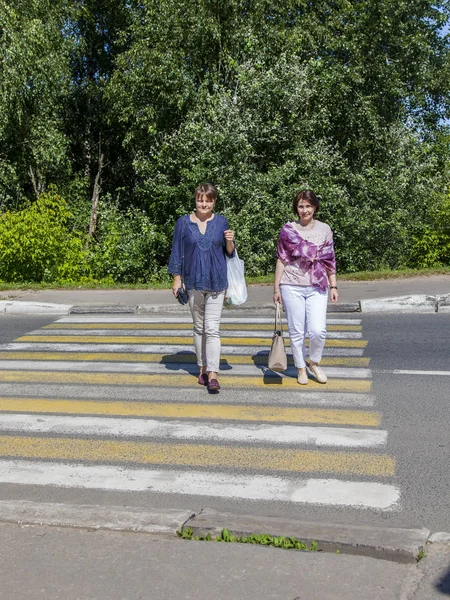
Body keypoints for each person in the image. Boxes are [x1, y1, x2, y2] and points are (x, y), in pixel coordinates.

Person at [168, 183, 235, 392]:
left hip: (217, 282)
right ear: (195, 200)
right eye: (200, 199)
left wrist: (231, 242)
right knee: (199, 328)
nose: (203, 204)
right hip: (193, 282)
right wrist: (176, 279)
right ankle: (202, 368)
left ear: (214, 201)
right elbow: (177, 251)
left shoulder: (221, 221)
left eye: (208, 200)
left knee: (212, 328)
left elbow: (230, 253)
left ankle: (213, 374)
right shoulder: (183, 223)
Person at [273, 190, 338, 384]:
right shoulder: (288, 230)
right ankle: (301, 368)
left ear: (315, 207)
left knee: (318, 330)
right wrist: (276, 288)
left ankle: (314, 363)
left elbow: (329, 259)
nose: (304, 210)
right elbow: (281, 260)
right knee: (297, 331)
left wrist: (333, 285)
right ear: (296, 208)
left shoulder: (324, 229)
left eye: (308, 206)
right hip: (291, 285)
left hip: (318, 285)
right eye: (301, 206)